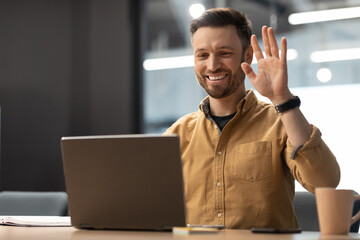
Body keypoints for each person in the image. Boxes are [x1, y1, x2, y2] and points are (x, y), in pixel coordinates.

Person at [164, 8, 340, 229]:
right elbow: (150, 205)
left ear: (247, 56)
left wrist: (282, 98)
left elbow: (325, 182)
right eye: (202, 55)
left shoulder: (281, 122)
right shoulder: (177, 133)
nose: (212, 65)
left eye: (224, 53)